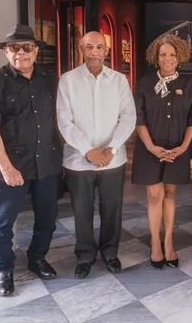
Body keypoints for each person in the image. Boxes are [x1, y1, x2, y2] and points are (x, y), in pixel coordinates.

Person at [0, 25, 62, 297]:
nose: (21, 52)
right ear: (6, 52)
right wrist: (6, 167)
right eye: (14, 48)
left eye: (27, 47)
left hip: (46, 161)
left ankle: (37, 257)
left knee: (47, 216)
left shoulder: (49, 79)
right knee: (2, 221)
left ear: (36, 51)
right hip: (11, 165)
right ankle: (4, 269)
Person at [57, 31, 136, 278]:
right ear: (81, 49)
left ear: (106, 50)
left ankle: (110, 252)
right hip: (79, 159)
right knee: (82, 210)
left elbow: (129, 116)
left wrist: (111, 148)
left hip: (113, 157)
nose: (94, 51)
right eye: (89, 46)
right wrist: (88, 151)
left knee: (112, 208)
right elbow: (64, 121)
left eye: (99, 47)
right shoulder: (68, 80)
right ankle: (85, 254)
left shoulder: (119, 80)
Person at [132, 34, 192, 269]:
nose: (168, 59)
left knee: (171, 195)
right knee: (154, 196)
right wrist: (152, 147)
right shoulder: (144, 84)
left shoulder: (189, 85)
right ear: (156, 57)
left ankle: (169, 242)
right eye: (163, 54)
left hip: (177, 149)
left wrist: (184, 147)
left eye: (172, 55)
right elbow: (139, 119)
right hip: (149, 149)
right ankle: (155, 244)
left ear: (180, 57)